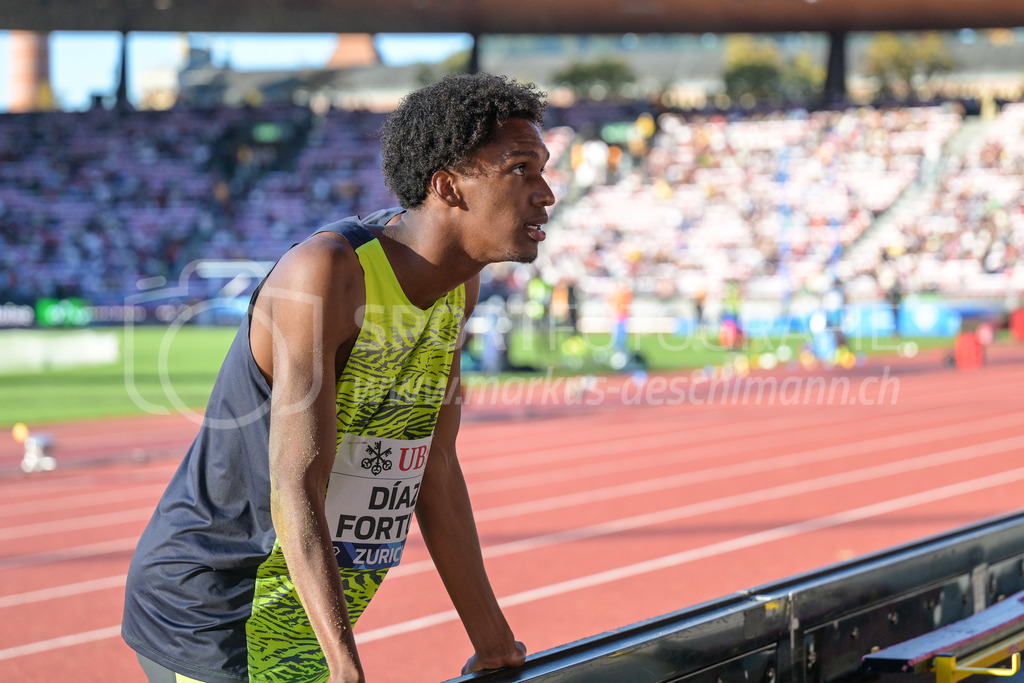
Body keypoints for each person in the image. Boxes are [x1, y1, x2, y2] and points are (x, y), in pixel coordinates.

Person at [121, 72, 555, 683]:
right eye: (521, 168)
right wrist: (345, 669)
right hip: (218, 610)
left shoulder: (460, 286)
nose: (546, 193)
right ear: (448, 186)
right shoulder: (326, 273)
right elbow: (296, 483)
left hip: (299, 613)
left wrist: (493, 641)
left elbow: (435, 467)